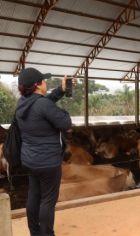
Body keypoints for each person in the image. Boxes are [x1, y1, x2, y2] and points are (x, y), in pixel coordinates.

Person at [16, 67, 72, 236]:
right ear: (37, 85)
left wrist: (61, 90)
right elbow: (66, 123)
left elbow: (43, 103)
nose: (46, 82)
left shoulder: (22, 103)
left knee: (34, 196)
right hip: (48, 163)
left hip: (30, 161)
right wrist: (64, 111)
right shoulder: (43, 105)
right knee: (48, 201)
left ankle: (35, 232)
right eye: (43, 80)